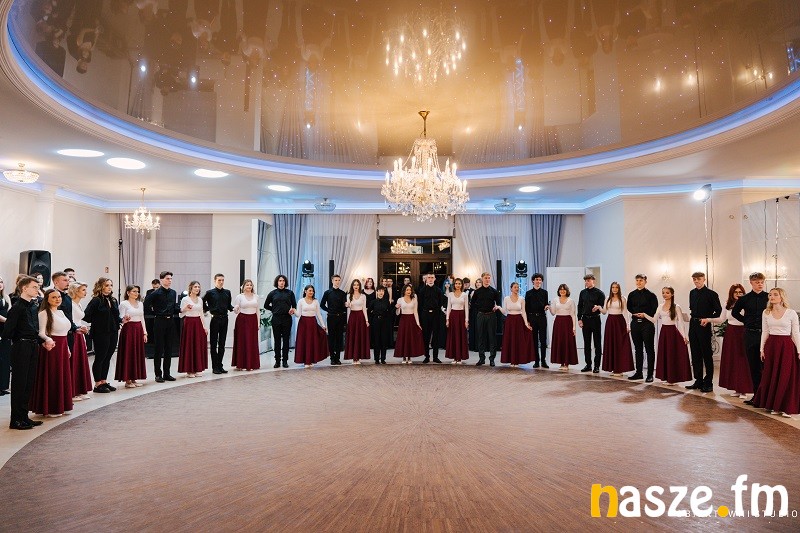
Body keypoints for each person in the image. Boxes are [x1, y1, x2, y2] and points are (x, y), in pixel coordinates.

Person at [5, 276, 47, 429]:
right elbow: (8, 332)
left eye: (38, 287)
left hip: (32, 345)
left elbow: (34, 329)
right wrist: (21, 339)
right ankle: (15, 420)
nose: (37, 289)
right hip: (21, 347)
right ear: (24, 288)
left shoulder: (33, 306)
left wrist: (42, 341)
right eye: (34, 287)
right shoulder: (17, 308)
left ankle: (24, 417)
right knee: (19, 384)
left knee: (28, 382)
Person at [751, 288, 800, 418]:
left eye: (775, 294)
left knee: (785, 376)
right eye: (770, 295)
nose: (771, 297)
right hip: (771, 346)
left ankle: (785, 408)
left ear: (781, 297)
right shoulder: (766, 312)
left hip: (786, 346)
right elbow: (765, 331)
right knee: (771, 375)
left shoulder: (791, 313)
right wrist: (762, 349)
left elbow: (795, 333)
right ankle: (774, 406)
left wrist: (799, 350)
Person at [704, 284, 752, 398]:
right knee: (733, 360)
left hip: (743, 333)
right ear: (732, 293)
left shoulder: (746, 303)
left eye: (740, 292)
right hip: (731, 333)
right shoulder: (727, 304)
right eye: (736, 292)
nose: (738, 294)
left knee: (742, 361)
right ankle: (736, 388)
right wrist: (708, 319)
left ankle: (743, 389)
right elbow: (721, 319)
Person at [31, 289, 73, 417]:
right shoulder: (43, 313)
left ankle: (62, 405)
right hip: (52, 347)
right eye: (54, 297)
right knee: (53, 376)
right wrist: (48, 340)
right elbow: (41, 333)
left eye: (59, 297)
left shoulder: (61, 312)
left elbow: (65, 333)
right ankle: (51, 407)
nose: (57, 299)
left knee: (62, 376)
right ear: (47, 299)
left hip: (62, 346)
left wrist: (67, 348)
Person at [732, 272, 769, 406]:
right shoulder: (744, 298)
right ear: (751, 283)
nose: (760, 284)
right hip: (750, 335)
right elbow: (735, 312)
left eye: (762, 282)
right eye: (757, 282)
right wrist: (746, 321)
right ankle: (757, 396)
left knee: (766, 367)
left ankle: (767, 397)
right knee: (754, 367)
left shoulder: (768, 297)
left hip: (765, 335)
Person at [643, 287, 692, 385]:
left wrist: (684, 336)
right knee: (665, 354)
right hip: (663, 332)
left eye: (667, 293)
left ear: (672, 294)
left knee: (671, 355)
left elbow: (681, 323)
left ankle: (672, 379)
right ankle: (667, 377)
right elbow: (654, 320)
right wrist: (645, 315)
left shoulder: (676, 307)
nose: (665, 294)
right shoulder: (660, 306)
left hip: (673, 333)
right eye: (663, 293)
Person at [83, 278, 123, 393]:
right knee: (100, 357)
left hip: (113, 331)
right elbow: (86, 316)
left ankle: (104, 381)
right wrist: (98, 321)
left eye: (111, 285)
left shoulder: (113, 300)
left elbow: (116, 316)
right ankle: (97, 384)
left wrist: (122, 320)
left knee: (108, 356)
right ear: (101, 286)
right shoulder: (96, 300)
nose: (109, 287)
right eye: (107, 285)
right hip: (101, 332)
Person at [687, 272, 722, 393]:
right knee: (695, 353)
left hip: (704, 325)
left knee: (706, 354)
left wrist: (708, 319)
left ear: (704, 279)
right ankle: (698, 380)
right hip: (693, 324)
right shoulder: (692, 293)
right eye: (694, 279)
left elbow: (718, 311)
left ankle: (708, 382)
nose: (696, 281)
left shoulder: (712, 294)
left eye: (698, 279)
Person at [143, 271, 179, 382]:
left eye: (171, 278)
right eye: (167, 278)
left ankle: (167, 373)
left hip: (170, 321)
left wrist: (183, 309)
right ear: (162, 279)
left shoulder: (173, 292)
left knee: (169, 348)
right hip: (159, 321)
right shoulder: (155, 293)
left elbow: (174, 307)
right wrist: (155, 313)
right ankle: (158, 374)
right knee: (158, 348)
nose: (170, 280)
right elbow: (146, 305)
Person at [627, 274, 659, 381]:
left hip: (647, 324)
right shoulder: (631, 294)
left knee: (649, 349)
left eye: (641, 280)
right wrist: (635, 313)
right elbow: (629, 307)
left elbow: (654, 309)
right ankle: (639, 373)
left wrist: (644, 314)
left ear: (645, 281)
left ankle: (650, 375)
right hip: (635, 323)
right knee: (638, 349)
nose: (638, 282)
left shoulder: (651, 295)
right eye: (637, 280)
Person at [600, 282, 634, 376]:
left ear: (619, 289)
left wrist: (628, 325)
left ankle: (619, 369)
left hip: (619, 323)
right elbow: (604, 311)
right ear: (611, 288)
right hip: (610, 322)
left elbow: (625, 312)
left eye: (616, 287)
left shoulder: (622, 299)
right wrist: (599, 308)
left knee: (619, 345)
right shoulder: (607, 298)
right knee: (611, 344)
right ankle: (613, 368)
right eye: (613, 287)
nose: (614, 289)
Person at [117, 285, 148, 388]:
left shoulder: (140, 304)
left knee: (137, 353)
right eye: (134, 291)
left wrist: (145, 332)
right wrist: (124, 318)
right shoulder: (124, 304)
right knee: (129, 353)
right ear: (128, 292)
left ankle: (134, 377)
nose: (136, 293)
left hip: (138, 329)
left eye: (137, 291)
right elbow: (121, 318)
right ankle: (128, 380)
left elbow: (142, 318)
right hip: (128, 329)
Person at [67, 282, 93, 400]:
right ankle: (72, 392)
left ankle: (79, 390)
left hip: (80, 333)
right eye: (83, 290)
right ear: (75, 291)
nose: (85, 292)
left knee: (80, 362)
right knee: (74, 362)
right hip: (74, 333)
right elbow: (71, 321)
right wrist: (78, 328)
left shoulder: (79, 304)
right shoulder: (71, 304)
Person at [203, 273, 233, 375]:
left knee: (222, 344)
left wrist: (233, 308)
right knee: (213, 344)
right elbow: (202, 301)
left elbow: (229, 305)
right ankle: (214, 367)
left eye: (222, 280)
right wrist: (209, 309)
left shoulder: (227, 292)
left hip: (225, 319)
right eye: (219, 280)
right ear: (215, 281)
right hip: (215, 319)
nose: (221, 282)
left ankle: (220, 365)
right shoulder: (210, 293)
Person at [178, 281, 209, 378]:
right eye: (195, 287)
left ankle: (197, 368)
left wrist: (205, 327)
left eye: (198, 287)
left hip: (198, 323)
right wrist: (185, 308)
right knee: (189, 346)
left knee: (197, 345)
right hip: (189, 323)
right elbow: (180, 314)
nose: (197, 288)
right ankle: (189, 370)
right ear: (191, 288)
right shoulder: (185, 299)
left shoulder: (200, 300)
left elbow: (201, 314)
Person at [500, 282, 533, 367]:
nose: (517, 289)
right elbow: (504, 311)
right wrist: (498, 307)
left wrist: (526, 324)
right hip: (509, 321)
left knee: (518, 341)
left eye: (518, 287)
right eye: (515, 287)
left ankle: (517, 361)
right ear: (511, 288)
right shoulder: (506, 298)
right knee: (510, 340)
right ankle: (511, 361)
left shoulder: (522, 299)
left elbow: (524, 312)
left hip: (519, 321)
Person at [472, 272, 502, 367]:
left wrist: (496, 307)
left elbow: (499, 303)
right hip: (481, 315)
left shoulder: (494, 291)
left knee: (492, 337)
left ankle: (492, 359)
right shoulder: (477, 292)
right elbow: (473, 303)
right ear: (482, 279)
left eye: (489, 278)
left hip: (491, 315)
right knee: (481, 337)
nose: (487, 279)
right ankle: (482, 358)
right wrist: (479, 308)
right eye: (486, 278)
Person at [294, 285, 328, 367]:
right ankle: (306, 361)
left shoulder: (316, 301)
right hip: (303, 324)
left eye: (312, 291)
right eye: (309, 290)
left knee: (312, 342)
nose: (311, 292)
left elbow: (318, 314)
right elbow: (298, 314)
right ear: (305, 291)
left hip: (313, 323)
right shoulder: (301, 301)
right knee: (305, 342)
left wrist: (323, 325)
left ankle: (311, 360)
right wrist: (294, 310)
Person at [577, 274, 605, 372]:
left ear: (593, 281)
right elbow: (580, 306)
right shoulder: (582, 292)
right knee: (587, 343)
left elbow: (603, 307)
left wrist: (598, 307)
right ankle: (588, 365)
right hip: (585, 319)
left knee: (597, 343)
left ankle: (597, 366)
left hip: (595, 319)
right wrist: (579, 319)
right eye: (585, 281)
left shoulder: (600, 293)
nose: (586, 282)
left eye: (588, 280)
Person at [231, 279, 260, 370]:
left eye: (250, 285)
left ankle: (251, 363)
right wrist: (235, 308)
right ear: (243, 287)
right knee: (242, 341)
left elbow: (258, 311)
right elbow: (236, 311)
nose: (249, 286)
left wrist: (258, 323)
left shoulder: (256, 296)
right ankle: (241, 364)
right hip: (242, 320)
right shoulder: (239, 297)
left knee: (252, 341)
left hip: (253, 320)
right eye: (247, 285)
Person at [418, 273, 446, 363]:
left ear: (434, 279)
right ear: (426, 279)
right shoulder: (422, 291)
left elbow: (441, 303)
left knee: (436, 336)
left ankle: (435, 357)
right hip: (425, 315)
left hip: (436, 315)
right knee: (425, 336)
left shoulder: (438, 290)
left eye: (432, 277)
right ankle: (427, 357)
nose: (430, 279)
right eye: (429, 277)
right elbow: (420, 305)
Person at [549, 284, 578, 369]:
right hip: (558, 322)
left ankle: (567, 363)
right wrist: (549, 308)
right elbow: (553, 313)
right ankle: (561, 362)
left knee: (567, 342)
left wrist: (574, 327)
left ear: (567, 291)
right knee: (560, 341)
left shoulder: (571, 301)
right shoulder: (555, 300)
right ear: (558, 291)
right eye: (560, 289)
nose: (562, 291)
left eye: (564, 289)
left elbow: (573, 315)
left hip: (567, 323)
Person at [525, 273, 550, 368]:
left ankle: (543, 360)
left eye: (540, 280)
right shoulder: (528, 293)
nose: (538, 281)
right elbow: (526, 308)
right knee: (534, 340)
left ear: (542, 281)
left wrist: (547, 306)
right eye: (536, 279)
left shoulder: (545, 292)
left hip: (542, 317)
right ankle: (536, 360)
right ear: (533, 281)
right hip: (532, 318)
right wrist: (528, 321)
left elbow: (546, 303)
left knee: (543, 340)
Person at [394, 284, 424, 363]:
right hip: (403, 320)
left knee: (410, 338)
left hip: (412, 320)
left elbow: (415, 312)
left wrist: (418, 324)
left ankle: (409, 357)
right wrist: (397, 308)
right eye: (407, 290)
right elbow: (397, 313)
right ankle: (404, 357)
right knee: (403, 338)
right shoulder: (400, 300)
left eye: (410, 290)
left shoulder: (414, 299)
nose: (409, 291)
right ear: (404, 291)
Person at [321, 274, 346, 365]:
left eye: (339, 280)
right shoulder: (327, 292)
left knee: (339, 338)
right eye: (336, 280)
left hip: (340, 318)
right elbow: (322, 305)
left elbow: (344, 306)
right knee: (331, 338)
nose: (337, 282)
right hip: (331, 317)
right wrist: (329, 310)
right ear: (332, 281)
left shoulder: (343, 293)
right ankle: (332, 357)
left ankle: (338, 358)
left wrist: (345, 307)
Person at [344, 279, 370, 364]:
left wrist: (366, 320)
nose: (356, 286)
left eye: (357, 285)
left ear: (359, 286)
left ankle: (358, 358)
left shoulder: (363, 296)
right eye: (354, 285)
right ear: (352, 286)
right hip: (352, 317)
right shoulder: (349, 295)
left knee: (359, 337)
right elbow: (348, 307)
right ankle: (353, 358)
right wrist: (347, 305)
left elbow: (364, 308)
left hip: (361, 317)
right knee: (353, 337)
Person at [445, 278, 469, 364]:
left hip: (461, 316)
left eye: (459, 283)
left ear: (462, 285)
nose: (458, 285)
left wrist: (466, 320)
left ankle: (459, 358)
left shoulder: (464, 295)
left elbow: (466, 308)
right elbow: (448, 307)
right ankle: (454, 358)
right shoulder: (450, 294)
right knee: (453, 336)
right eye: (456, 283)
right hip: (453, 316)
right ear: (454, 285)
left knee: (461, 336)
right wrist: (447, 319)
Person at [369, 286, 393, 364]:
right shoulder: (373, 302)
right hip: (375, 322)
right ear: (377, 292)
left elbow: (390, 313)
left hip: (384, 322)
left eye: (382, 291)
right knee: (376, 341)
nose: (381, 292)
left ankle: (383, 359)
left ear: (384, 292)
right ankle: (376, 359)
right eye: (379, 291)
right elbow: (369, 312)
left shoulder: (387, 302)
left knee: (384, 340)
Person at [0, 276, 11, 396]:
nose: (0, 284)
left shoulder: (6, 297)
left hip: (5, 330)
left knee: (5, 358)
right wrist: (8, 321)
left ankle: (3, 386)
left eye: (1, 281)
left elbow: (10, 311)